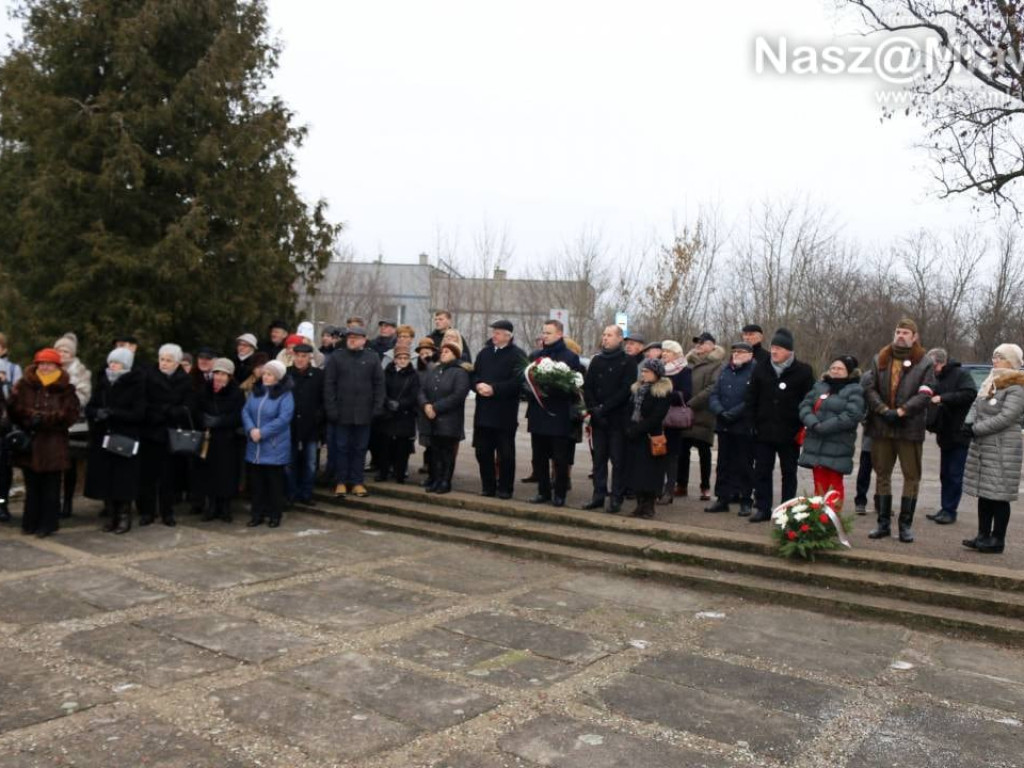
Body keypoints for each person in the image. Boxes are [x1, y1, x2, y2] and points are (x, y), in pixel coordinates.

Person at [861, 319, 936, 542]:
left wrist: (903, 411)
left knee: (911, 476)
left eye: (905, 332)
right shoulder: (880, 358)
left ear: (914, 336)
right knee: (882, 474)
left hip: (909, 428)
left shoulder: (924, 362)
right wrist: (883, 410)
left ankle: (905, 525)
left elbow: (925, 393)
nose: (900, 335)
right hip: (882, 426)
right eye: (898, 331)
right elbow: (869, 387)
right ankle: (883, 523)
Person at [7, 348, 80, 536]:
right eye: (42, 363)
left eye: (49, 364)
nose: (45, 367)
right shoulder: (24, 385)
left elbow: (70, 414)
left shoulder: (66, 388)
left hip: (53, 444)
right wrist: (29, 417)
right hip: (30, 443)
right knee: (32, 487)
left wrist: (47, 419)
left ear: (57, 366)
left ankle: (48, 524)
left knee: (51, 488)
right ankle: (30, 522)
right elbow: (13, 408)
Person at [746, 328, 815, 523]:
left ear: (789, 351)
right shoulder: (761, 368)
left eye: (778, 348)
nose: (774, 352)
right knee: (762, 471)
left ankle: (787, 509)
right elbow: (751, 398)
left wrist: (802, 425)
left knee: (789, 472)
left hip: (789, 432)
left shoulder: (803, 371)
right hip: (763, 431)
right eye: (772, 347)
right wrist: (751, 422)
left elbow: (808, 401)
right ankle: (762, 507)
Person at [961, 343, 1024, 555]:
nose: (994, 360)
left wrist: (976, 429)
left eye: (1000, 357)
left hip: (1002, 447)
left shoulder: (1017, 386)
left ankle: (998, 540)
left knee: (999, 495)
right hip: (983, 447)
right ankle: (982, 535)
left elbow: (1007, 417)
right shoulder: (990, 382)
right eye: (994, 356)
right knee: (985, 493)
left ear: (1012, 362)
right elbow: (976, 405)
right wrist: (967, 424)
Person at [84, 347, 147, 534]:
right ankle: (112, 516)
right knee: (107, 479)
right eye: (111, 362)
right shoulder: (103, 382)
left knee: (123, 480)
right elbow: (91, 406)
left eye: (117, 362)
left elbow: (139, 413)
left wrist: (114, 413)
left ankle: (124, 517)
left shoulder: (136, 383)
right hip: (104, 436)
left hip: (124, 437)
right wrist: (96, 413)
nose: (112, 365)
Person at [525, 320, 585, 507]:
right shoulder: (536, 356)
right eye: (543, 332)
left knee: (560, 458)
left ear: (559, 334)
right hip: (538, 413)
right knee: (539, 457)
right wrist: (533, 390)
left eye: (548, 333)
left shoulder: (570, 357)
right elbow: (525, 381)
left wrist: (552, 387)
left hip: (559, 414)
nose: (544, 336)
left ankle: (559, 493)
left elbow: (574, 385)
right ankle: (543, 491)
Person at [797, 355, 866, 510]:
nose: (835, 371)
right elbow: (805, 406)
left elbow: (852, 415)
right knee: (819, 485)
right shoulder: (819, 386)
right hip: (815, 443)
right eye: (833, 367)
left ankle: (832, 520)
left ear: (849, 372)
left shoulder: (855, 390)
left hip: (838, 445)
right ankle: (818, 518)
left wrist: (825, 426)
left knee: (834, 485)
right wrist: (813, 423)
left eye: (840, 368)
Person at [324, 325, 384, 498]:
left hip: (364, 414)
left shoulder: (372, 358)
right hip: (341, 413)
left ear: (364, 340)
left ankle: (358, 482)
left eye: (356, 337)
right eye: (350, 337)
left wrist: (377, 407)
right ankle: (341, 481)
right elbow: (329, 385)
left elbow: (379, 385)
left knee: (360, 448)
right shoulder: (337, 357)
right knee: (341, 448)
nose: (352, 339)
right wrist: (331, 409)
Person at [138, 344, 193, 527]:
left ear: (177, 363)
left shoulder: (185, 380)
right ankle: (147, 512)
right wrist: (160, 412)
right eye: (162, 359)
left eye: (169, 360)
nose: (164, 363)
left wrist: (169, 411)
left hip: (172, 432)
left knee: (168, 476)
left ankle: (167, 512)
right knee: (148, 475)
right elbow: (143, 402)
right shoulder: (148, 376)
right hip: (151, 431)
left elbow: (187, 407)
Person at [471, 320, 527, 499]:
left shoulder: (518, 355)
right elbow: (474, 374)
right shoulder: (484, 353)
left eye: (497, 332)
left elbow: (518, 382)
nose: (493, 335)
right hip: (483, 412)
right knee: (482, 452)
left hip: (504, 414)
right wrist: (477, 385)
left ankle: (505, 488)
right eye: (493, 332)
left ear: (507, 335)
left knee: (505, 454)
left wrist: (494, 389)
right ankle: (488, 486)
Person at [583, 325, 635, 513]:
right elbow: (587, 387)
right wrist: (594, 408)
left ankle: (616, 498)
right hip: (598, 419)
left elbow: (625, 390)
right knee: (598, 460)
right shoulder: (597, 360)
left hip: (617, 419)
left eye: (609, 335)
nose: (605, 338)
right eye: (604, 335)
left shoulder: (627, 361)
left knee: (618, 460)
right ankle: (598, 495)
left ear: (620, 338)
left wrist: (605, 408)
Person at [924, 348, 978, 525]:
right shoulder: (936, 378)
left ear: (940, 363)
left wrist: (943, 398)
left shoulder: (961, 375)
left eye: (933, 366)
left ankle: (950, 510)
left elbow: (970, 394)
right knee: (945, 474)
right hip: (944, 432)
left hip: (959, 432)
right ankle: (944, 508)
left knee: (955, 474)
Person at [242, 360, 294, 527]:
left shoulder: (285, 395)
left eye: (270, 374)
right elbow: (245, 411)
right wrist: (251, 429)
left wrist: (262, 432)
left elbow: (284, 418)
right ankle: (257, 514)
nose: (265, 377)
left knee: (274, 485)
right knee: (257, 485)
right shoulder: (255, 392)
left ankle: (274, 515)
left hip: (273, 446)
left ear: (277, 377)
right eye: (264, 373)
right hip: (255, 446)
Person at [706, 341, 756, 515]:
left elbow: (752, 399)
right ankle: (722, 498)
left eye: (741, 352)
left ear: (750, 355)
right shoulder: (725, 370)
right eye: (735, 351)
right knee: (723, 464)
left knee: (744, 464)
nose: (737, 354)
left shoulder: (755, 371)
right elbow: (714, 394)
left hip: (743, 425)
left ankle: (745, 499)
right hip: (724, 424)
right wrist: (720, 410)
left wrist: (734, 413)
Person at [196, 358, 245, 522]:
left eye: (223, 374)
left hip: (227, 439)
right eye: (217, 373)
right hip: (208, 439)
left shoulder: (236, 392)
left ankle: (225, 507)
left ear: (229, 376)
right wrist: (204, 418)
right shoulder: (205, 390)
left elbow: (239, 416)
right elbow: (196, 409)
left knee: (226, 474)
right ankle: (211, 506)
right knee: (209, 473)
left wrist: (221, 421)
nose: (219, 377)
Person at [677, 332, 725, 500]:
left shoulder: (717, 364)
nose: (699, 345)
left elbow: (712, 387)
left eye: (703, 343)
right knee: (682, 451)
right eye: (697, 342)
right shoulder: (687, 362)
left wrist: (691, 402)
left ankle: (705, 487)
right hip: (684, 414)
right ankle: (681, 485)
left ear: (712, 345)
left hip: (703, 414)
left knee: (704, 452)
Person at [419, 340, 470, 494]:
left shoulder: (460, 372)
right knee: (434, 452)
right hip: (431, 419)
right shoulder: (435, 370)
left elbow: (458, 395)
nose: (442, 354)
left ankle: (445, 482)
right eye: (442, 351)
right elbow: (422, 390)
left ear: (455, 354)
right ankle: (434, 479)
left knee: (446, 453)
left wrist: (436, 407)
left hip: (449, 421)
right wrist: (426, 405)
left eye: (447, 352)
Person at [624, 358, 672, 519]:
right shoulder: (637, 389)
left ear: (657, 374)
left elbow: (657, 417)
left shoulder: (662, 392)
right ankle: (639, 505)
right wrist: (629, 428)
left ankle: (649, 506)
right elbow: (629, 410)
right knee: (635, 472)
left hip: (651, 437)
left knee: (650, 474)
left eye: (648, 371)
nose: (644, 374)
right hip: (634, 437)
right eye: (643, 371)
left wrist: (637, 429)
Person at [54, 332, 91, 519]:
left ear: (73, 353)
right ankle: (53, 501)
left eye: (66, 351)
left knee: (70, 465)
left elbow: (84, 395)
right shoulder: (48, 368)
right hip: (52, 423)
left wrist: (66, 398)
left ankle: (67, 502)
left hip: (74, 424)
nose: (62, 354)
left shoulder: (81, 371)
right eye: (59, 350)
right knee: (52, 464)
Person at [375, 342, 420, 483]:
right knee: (385, 446)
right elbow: (381, 390)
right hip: (388, 414)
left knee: (402, 447)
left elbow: (414, 395)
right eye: (399, 358)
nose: (402, 361)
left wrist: (400, 404)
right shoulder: (386, 372)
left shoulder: (413, 375)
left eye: (405, 358)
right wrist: (387, 402)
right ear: (394, 359)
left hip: (405, 415)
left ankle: (400, 474)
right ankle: (383, 472)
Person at [286, 343, 323, 505]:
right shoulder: (286, 375)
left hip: (312, 427)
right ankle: (291, 493)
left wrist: (318, 417)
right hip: (290, 427)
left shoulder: (318, 375)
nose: (300, 359)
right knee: (289, 463)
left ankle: (306, 494)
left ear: (310, 358)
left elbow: (324, 400)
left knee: (310, 463)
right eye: (298, 356)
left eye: (304, 356)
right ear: (293, 356)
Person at [658, 340, 692, 505]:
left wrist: (664, 392)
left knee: (671, 457)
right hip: (657, 417)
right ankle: (655, 488)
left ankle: (668, 490)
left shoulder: (684, 371)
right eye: (663, 351)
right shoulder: (659, 369)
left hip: (672, 420)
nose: (664, 354)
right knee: (656, 454)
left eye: (668, 352)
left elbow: (686, 395)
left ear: (677, 354)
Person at [0, 332, 24, 520]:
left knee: (3, 471)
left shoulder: (13, 369)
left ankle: (2, 505)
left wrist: (5, 383)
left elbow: (17, 399)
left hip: (3, 427)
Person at [415, 338, 439, 483]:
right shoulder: (418, 371)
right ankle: (427, 464)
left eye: (428, 353)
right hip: (421, 409)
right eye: (422, 353)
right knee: (426, 440)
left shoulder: (436, 368)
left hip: (436, 408)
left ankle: (433, 469)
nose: (425, 356)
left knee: (434, 441)